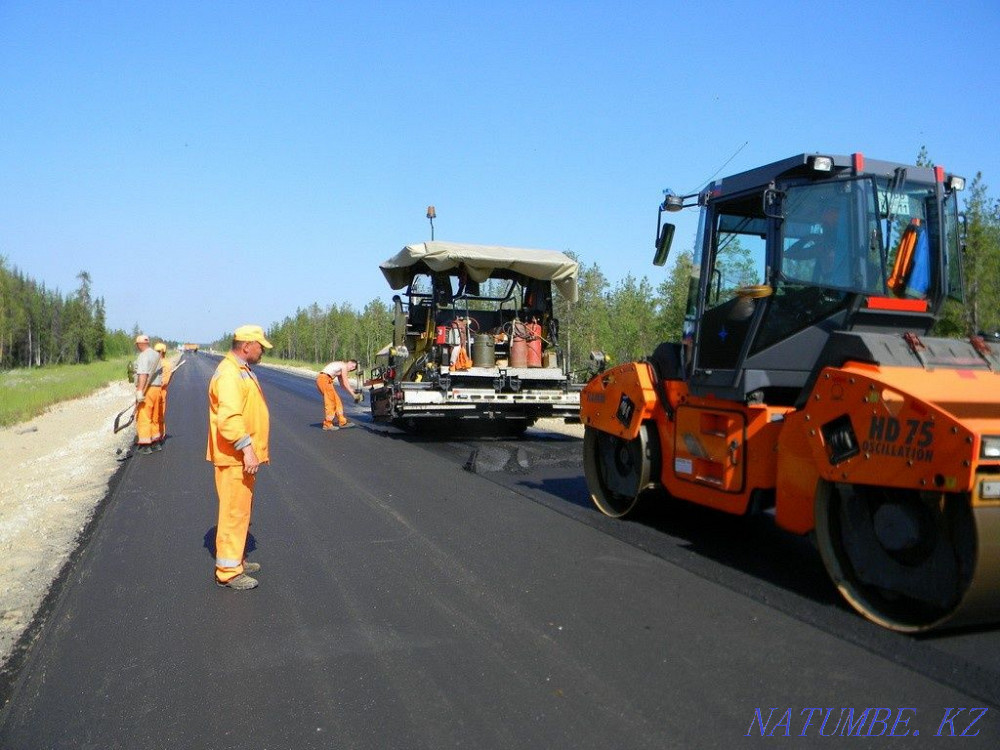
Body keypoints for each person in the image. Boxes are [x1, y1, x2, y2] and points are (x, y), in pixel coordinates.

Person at [207, 325, 272, 591]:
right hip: (234, 456)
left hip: (239, 457)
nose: (262, 351)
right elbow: (230, 418)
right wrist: (247, 448)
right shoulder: (230, 374)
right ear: (246, 346)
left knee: (241, 510)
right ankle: (228, 572)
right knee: (234, 512)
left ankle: (237, 559)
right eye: (260, 346)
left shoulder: (240, 370)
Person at [133, 334, 164, 454]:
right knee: (154, 416)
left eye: (137, 345)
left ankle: (145, 445)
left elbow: (143, 374)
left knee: (144, 416)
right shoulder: (156, 355)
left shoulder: (144, 356)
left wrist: (140, 391)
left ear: (140, 344)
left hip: (148, 389)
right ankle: (155, 442)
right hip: (157, 390)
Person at [316, 359, 361, 430]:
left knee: (337, 401)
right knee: (331, 402)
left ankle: (342, 421)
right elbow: (346, 383)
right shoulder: (343, 366)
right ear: (349, 362)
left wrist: (354, 390)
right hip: (324, 379)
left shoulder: (340, 368)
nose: (351, 369)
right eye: (352, 366)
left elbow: (343, 385)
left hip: (327, 380)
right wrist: (354, 395)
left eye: (353, 369)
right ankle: (327, 424)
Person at [154, 342, 172, 442]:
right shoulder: (154, 363)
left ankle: (160, 435)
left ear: (162, 352)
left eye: (157, 352)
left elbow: (164, 381)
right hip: (152, 393)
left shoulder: (166, 364)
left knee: (159, 415)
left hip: (161, 393)